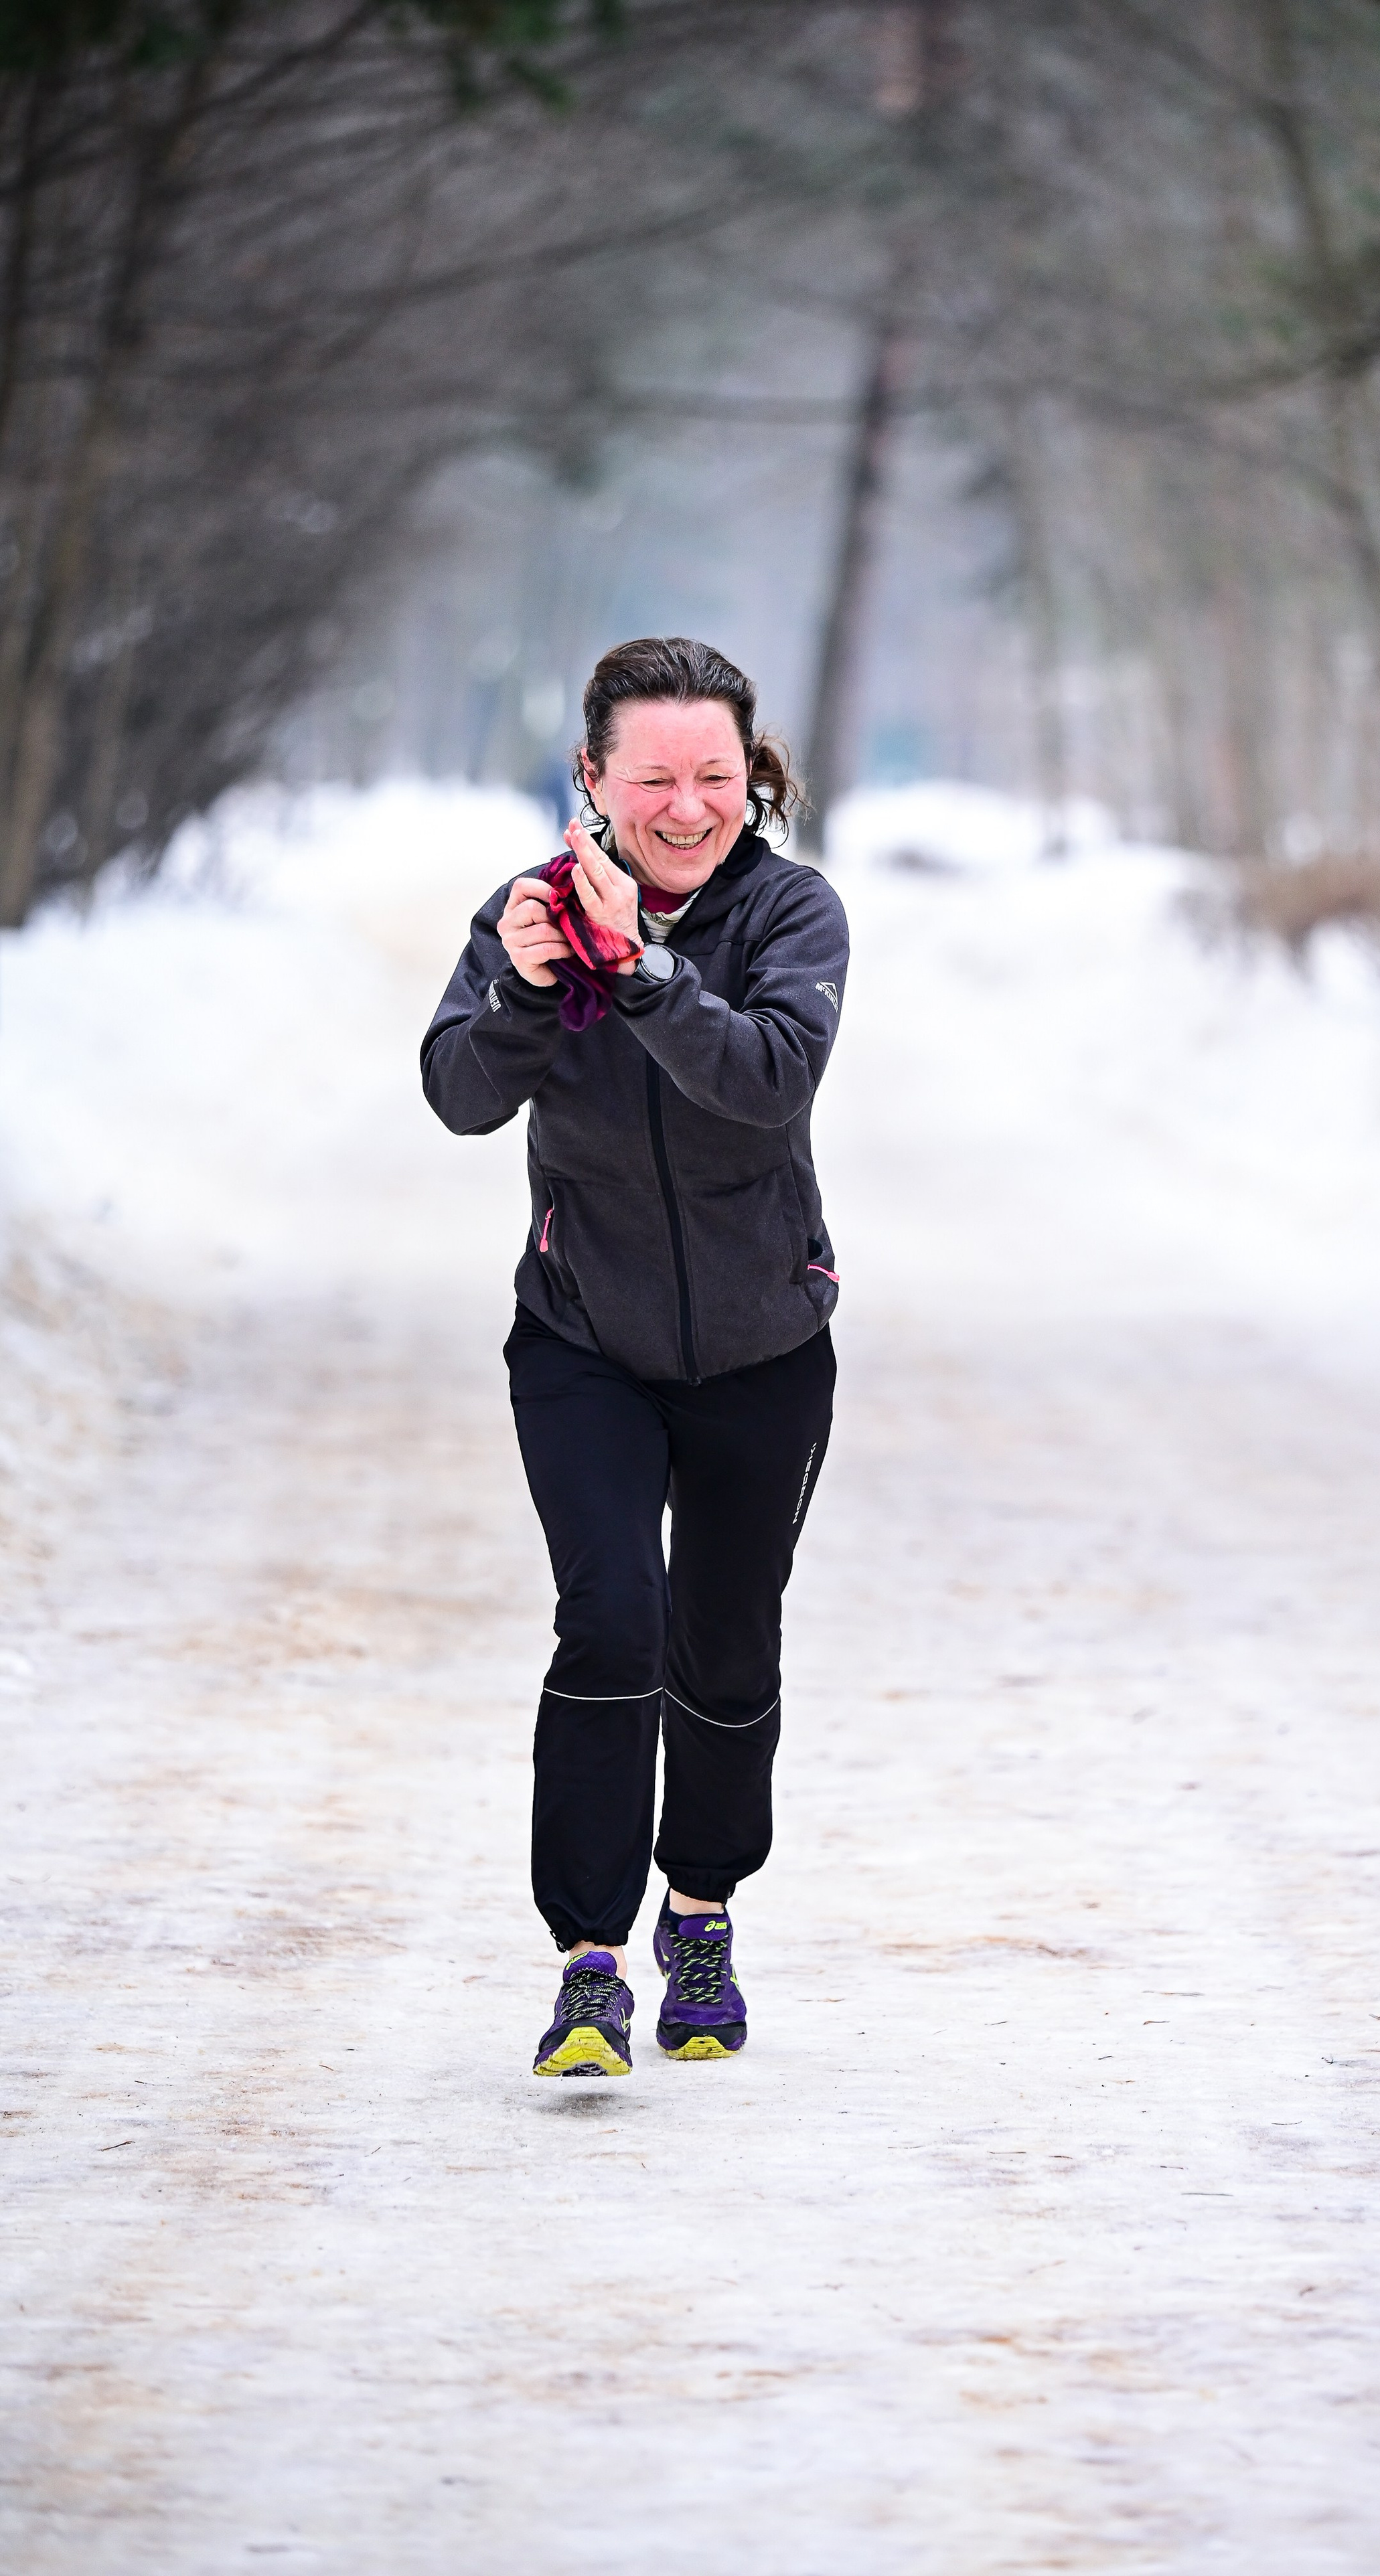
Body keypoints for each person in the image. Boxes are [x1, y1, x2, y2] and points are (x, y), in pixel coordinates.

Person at [421, 637, 846, 2077]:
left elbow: (764, 1084)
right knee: (607, 1621)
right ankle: (587, 1963)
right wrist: (533, 990)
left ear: (749, 775)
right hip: (582, 1340)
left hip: (762, 1348)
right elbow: (461, 1096)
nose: (684, 804)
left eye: (712, 775)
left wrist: (646, 972)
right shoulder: (522, 915)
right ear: (590, 779)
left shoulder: (793, 913)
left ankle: (703, 1911)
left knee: (720, 1645)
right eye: (652, 775)